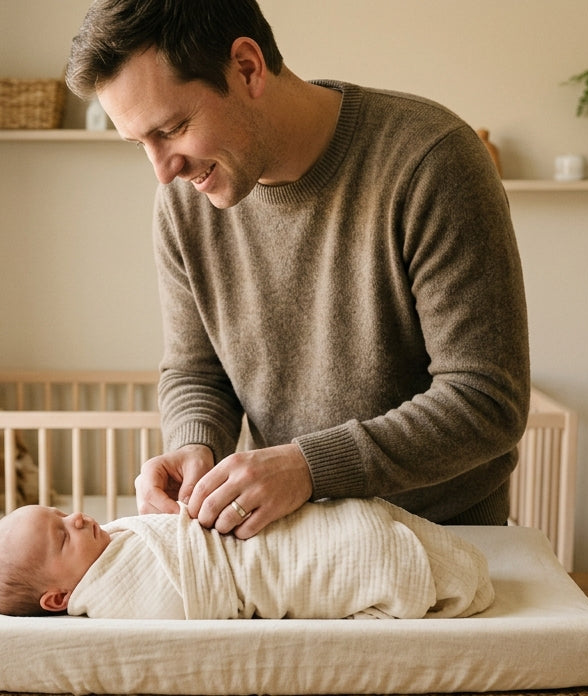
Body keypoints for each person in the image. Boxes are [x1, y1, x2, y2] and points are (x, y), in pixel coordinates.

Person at [64, 1, 530, 539]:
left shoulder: (431, 161)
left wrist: (308, 467)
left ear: (247, 68)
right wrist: (195, 442)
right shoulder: (184, 203)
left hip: (445, 544)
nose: (163, 171)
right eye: (139, 143)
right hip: (291, 548)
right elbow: (196, 370)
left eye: (173, 128)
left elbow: (486, 400)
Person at [0, 499, 494, 620]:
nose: (80, 520)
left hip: (277, 520)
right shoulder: (115, 596)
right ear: (59, 598)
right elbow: (194, 599)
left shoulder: (117, 541)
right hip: (266, 566)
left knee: (359, 516)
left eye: (63, 514)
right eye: (63, 537)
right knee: (368, 549)